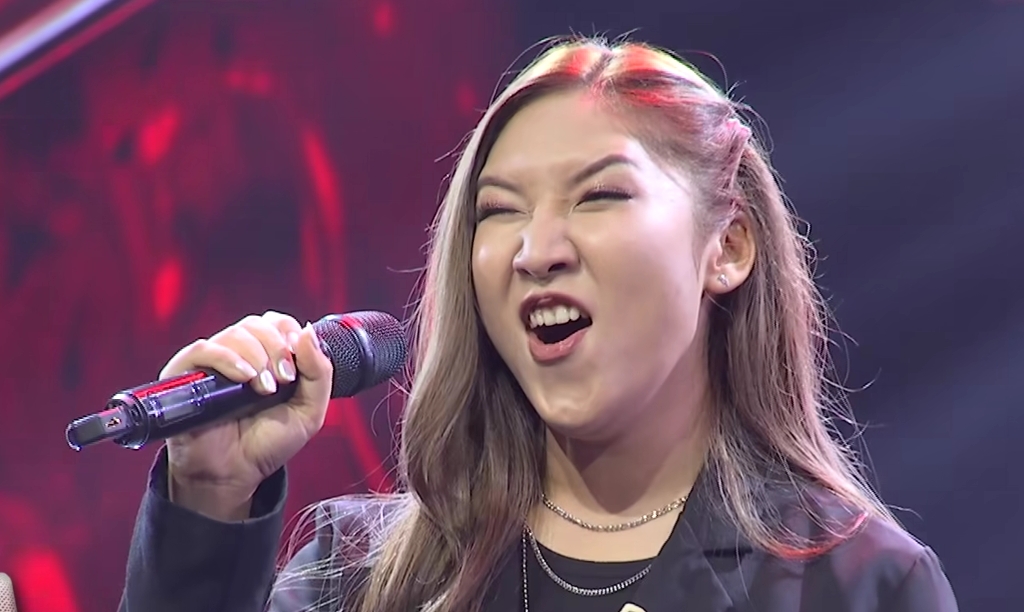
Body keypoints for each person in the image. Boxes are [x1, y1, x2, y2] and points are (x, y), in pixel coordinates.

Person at [118, 36, 958, 612]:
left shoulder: (851, 586)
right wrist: (211, 494)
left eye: (599, 196)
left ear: (728, 246)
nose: (536, 250)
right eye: (500, 211)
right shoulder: (364, 576)